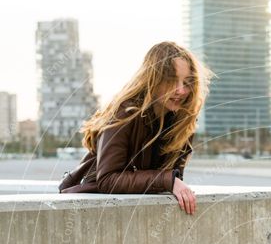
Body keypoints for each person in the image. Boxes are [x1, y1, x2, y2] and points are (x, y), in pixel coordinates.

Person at [59, 41, 213, 216]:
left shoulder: (182, 121)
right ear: (153, 78)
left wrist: (170, 181)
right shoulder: (125, 113)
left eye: (187, 82)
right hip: (86, 211)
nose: (181, 90)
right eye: (171, 81)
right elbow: (107, 179)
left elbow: (172, 181)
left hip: (129, 214)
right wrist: (167, 180)